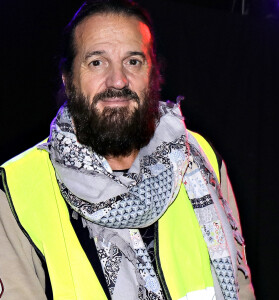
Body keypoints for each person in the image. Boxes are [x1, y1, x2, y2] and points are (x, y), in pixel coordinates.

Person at [0, 0, 255, 299]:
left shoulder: (200, 157)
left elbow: (240, 286)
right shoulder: (17, 188)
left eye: (133, 61)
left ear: (153, 73)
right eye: (97, 62)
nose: (118, 80)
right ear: (68, 80)